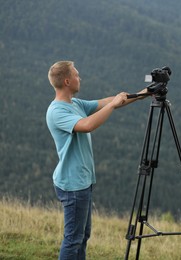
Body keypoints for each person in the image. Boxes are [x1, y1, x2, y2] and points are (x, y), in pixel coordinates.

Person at [46, 60, 149, 259]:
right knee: (73, 239)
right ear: (67, 81)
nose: (80, 78)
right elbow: (87, 125)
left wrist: (142, 94)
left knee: (82, 236)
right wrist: (111, 104)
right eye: (76, 75)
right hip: (73, 185)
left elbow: (108, 102)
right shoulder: (57, 111)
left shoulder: (74, 104)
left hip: (82, 182)